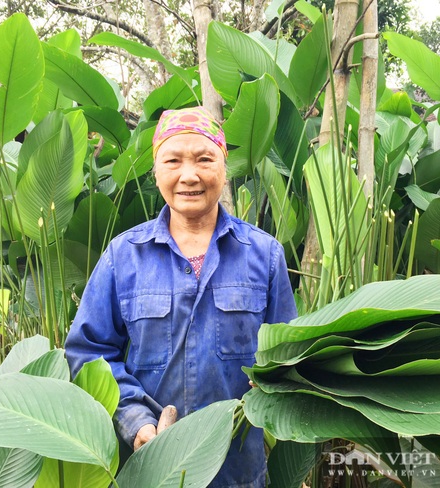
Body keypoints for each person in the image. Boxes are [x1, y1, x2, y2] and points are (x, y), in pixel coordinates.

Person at [65, 106, 297, 487]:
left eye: (204, 159)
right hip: (152, 466)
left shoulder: (265, 255)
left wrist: (272, 382)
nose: (189, 175)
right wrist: (135, 421)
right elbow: (89, 351)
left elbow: (286, 352)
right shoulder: (124, 256)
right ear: (156, 171)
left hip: (237, 469)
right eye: (173, 160)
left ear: (224, 168)